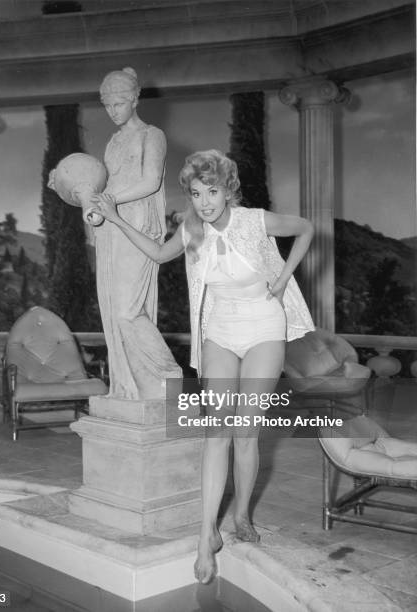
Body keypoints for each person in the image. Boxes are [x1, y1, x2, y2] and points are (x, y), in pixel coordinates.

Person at [93, 149, 315, 583]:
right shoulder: (192, 229)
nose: (205, 201)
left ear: (227, 189)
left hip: (264, 329)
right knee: (217, 434)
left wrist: (286, 275)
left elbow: (306, 229)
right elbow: (158, 254)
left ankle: (240, 514)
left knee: (245, 434)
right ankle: (204, 536)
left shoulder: (254, 221)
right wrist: (116, 219)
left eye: (212, 191)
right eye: (196, 193)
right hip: (220, 332)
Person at [88, 67, 181, 400]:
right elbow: (104, 185)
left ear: (134, 99)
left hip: (137, 224)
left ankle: (167, 375)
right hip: (111, 227)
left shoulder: (151, 135)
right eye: (108, 105)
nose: (113, 111)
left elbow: (150, 182)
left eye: (119, 103)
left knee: (128, 310)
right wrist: (76, 189)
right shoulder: (113, 142)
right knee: (114, 310)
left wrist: (110, 203)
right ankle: (128, 388)